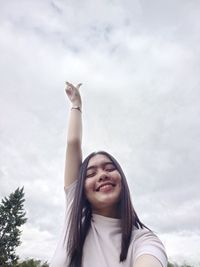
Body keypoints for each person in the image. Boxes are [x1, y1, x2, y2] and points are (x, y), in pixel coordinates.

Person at [50, 82, 168, 267]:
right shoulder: (75, 218)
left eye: (109, 168)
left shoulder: (143, 240)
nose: (102, 175)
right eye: (91, 173)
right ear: (81, 189)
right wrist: (76, 105)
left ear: (122, 178)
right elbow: (73, 143)